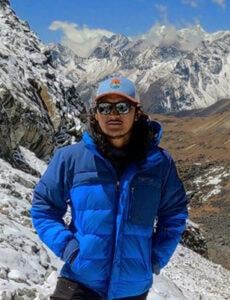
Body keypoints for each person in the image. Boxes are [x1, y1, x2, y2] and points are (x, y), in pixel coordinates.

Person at [31, 76, 188, 300]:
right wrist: (69, 248)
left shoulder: (159, 163)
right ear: (95, 113)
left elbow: (174, 213)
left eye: (122, 107)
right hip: (79, 281)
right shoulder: (70, 159)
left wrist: (154, 258)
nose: (113, 114)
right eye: (105, 107)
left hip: (132, 288)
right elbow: (43, 208)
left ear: (137, 112)